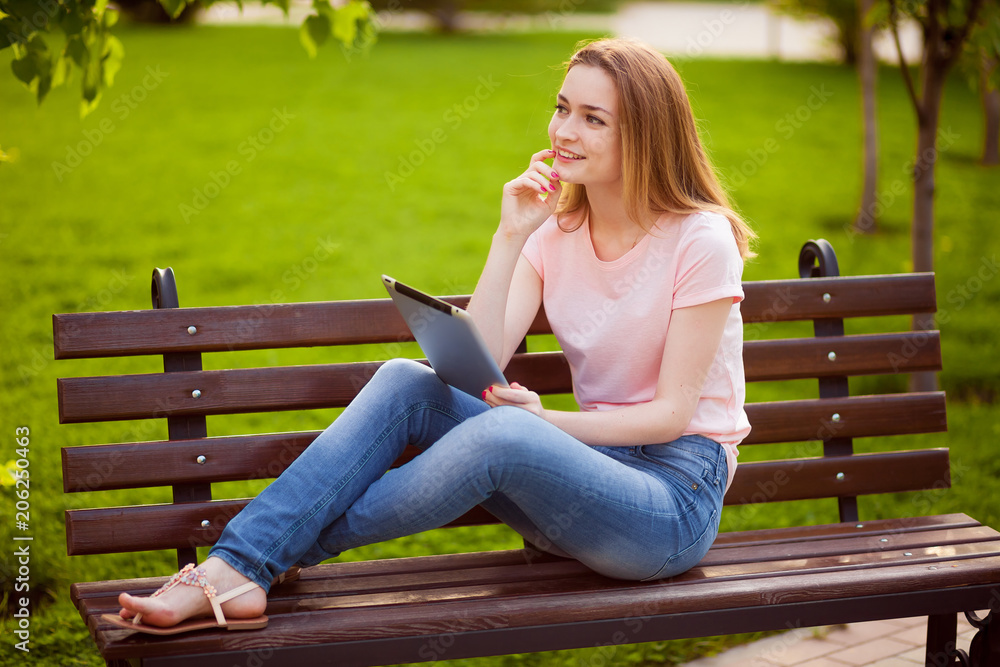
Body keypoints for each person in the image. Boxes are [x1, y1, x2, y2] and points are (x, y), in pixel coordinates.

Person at [106, 37, 755, 635]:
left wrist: (542, 424)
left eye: (593, 118)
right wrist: (512, 234)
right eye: (561, 109)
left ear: (644, 134)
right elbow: (485, 361)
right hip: (575, 493)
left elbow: (672, 417)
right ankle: (245, 564)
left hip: (670, 504)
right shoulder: (552, 236)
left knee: (505, 432)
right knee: (405, 380)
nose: (563, 131)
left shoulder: (699, 238)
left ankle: (248, 563)